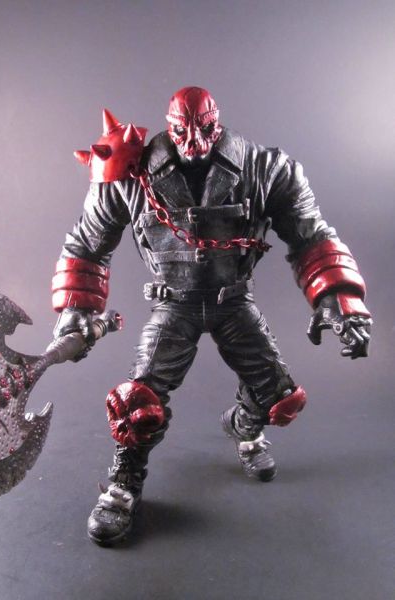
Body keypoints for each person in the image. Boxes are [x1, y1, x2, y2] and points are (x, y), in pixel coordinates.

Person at [51, 86, 372, 545]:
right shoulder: (129, 171)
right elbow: (86, 244)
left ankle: (243, 427)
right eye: (182, 131)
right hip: (174, 305)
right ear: (169, 125)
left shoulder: (265, 169)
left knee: (280, 398)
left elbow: (312, 235)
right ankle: (123, 484)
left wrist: (339, 300)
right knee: (137, 403)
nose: (195, 142)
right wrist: (77, 309)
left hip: (233, 301)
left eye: (205, 129)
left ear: (216, 122)